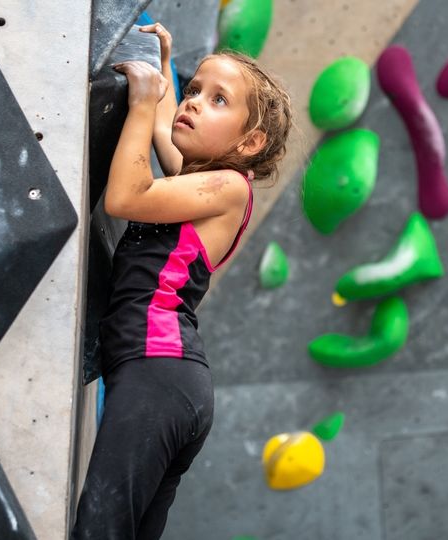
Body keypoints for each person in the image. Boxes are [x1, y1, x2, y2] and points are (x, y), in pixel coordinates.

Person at [72, 21, 293, 540]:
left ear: (251, 141)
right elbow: (168, 126)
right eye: (196, 89)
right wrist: (164, 61)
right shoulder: (197, 181)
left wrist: (142, 104)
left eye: (218, 100)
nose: (194, 102)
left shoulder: (227, 187)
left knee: (99, 531)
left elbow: (125, 197)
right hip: (167, 384)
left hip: (158, 376)